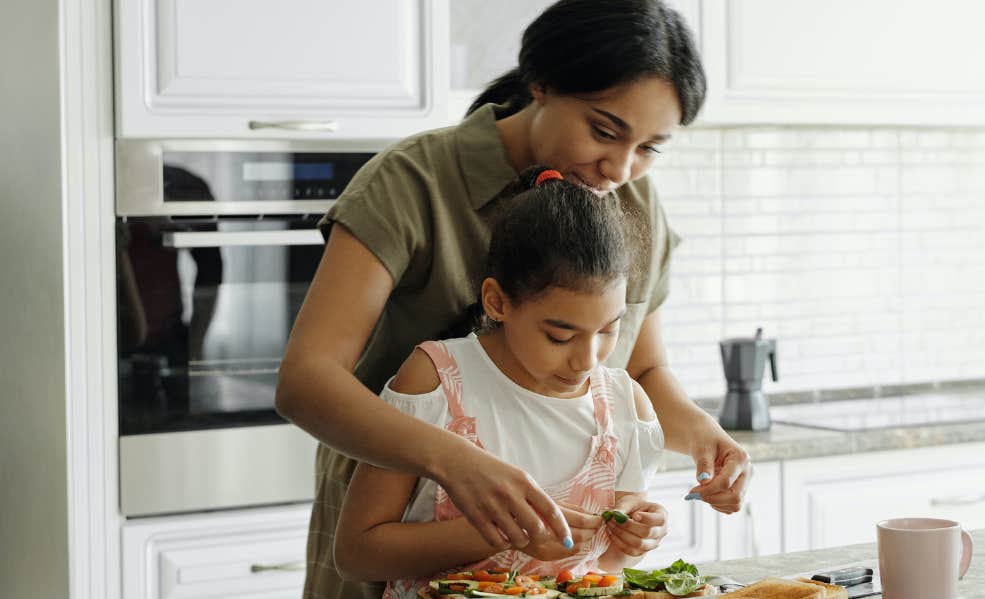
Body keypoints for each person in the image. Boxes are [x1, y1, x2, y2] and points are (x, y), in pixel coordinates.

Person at [275, 2, 752, 598]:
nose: (620, 167)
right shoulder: (412, 182)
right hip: (398, 537)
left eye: (650, 147)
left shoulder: (634, 203)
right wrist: (456, 462)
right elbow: (306, 381)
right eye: (604, 130)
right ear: (541, 85)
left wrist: (706, 436)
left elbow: (641, 369)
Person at [334, 167, 666, 597]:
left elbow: (606, 567)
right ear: (497, 301)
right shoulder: (436, 382)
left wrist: (633, 539)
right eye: (560, 336)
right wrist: (504, 532)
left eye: (608, 330)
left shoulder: (624, 407)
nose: (588, 359)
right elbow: (356, 553)